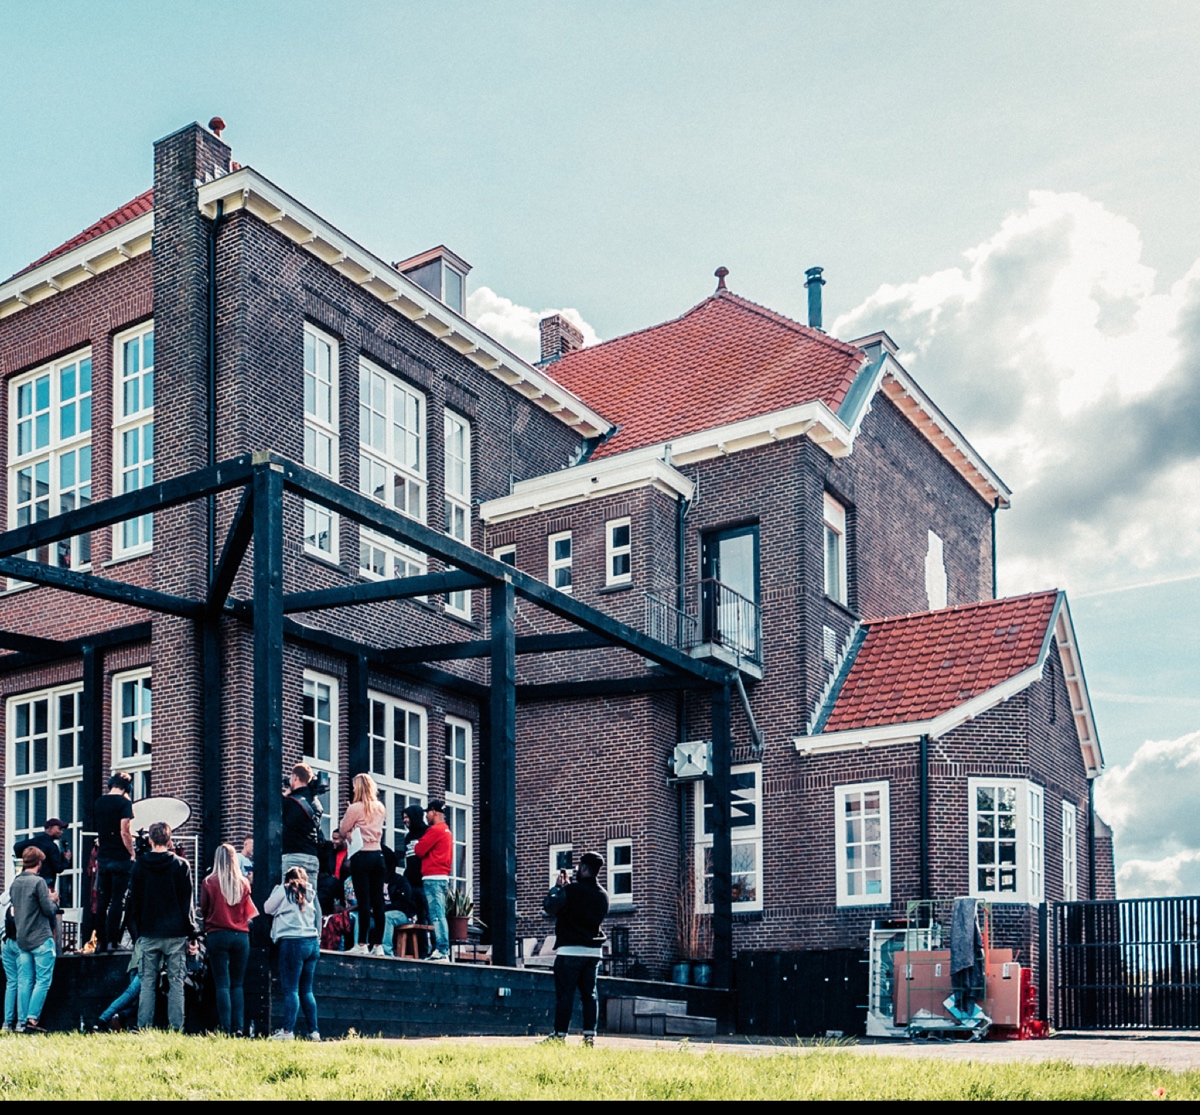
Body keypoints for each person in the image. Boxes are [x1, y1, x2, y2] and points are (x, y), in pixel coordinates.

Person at [127, 820, 196, 1032]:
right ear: (170, 840)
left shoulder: (139, 865)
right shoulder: (181, 865)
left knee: (147, 982)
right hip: (175, 932)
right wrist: (192, 933)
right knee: (176, 982)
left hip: (149, 931)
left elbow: (134, 902)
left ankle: (144, 1027)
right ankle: (176, 1028)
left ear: (150, 840)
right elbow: (187, 904)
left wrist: (138, 930)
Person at [542, 851, 609, 1046]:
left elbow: (550, 907)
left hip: (570, 951)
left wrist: (557, 888)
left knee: (565, 995)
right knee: (590, 995)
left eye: (579, 866)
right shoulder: (603, 895)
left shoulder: (571, 890)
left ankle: (560, 1035)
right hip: (593, 952)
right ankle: (589, 1036)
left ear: (585, 868)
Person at [200, 843, 257, 1035]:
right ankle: (238, 1027)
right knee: (237, 984)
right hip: (241, 936)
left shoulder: (209, 882)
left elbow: (204, 909)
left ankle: (225, 1028)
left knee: (222, 984)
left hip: (217, 934)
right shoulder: (244, 883)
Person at [264, 866, 321, 1041]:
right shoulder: (311, 892)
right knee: (307, 990)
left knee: (291, 990)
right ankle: (314, 1032)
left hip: (292, 941)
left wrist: (276, 889)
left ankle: (288, 1031)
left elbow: (267, 908)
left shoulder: (284, 890)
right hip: (312, 942)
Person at [10, 846, 60, 1033]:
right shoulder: (38, 882)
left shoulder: (15, 883)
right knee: (43, 980)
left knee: (25, 981)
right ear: (39, 862)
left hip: (22, 939)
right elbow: (48, 910)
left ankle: (21, 1022)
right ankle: (32, 1018)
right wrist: (53, 900)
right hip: (40, 937)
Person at [338, 773, 387, 956]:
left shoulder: (355, 808)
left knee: (364, 901)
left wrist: (349, 826)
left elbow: (342, 829)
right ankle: (378, 945)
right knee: (378, 902)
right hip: (378, 855)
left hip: (362, 855)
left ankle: (362, 943)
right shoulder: (380, 808)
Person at [93, 771, 135, 950]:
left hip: (103, 856)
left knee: (103, 900)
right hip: (120, 857)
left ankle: (100, 942)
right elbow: (124, 831)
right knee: (118, 900)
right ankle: (113, 941)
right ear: (127, 787)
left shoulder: (99, 802)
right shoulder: (124, 803)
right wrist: (132, 852)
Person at [414, 799, 453, 962]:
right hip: (441, 876)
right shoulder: (446, 830)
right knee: (439, 913)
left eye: (428, 812)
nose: (427, 816)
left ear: (434, 812)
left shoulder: (435, 830)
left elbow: (419, 850)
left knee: (436, 915)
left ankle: (442, 950)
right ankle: (442, 949)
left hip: (433, 877)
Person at [282, 763, 324, 881]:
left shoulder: (289, 802)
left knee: (290, 891)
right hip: (312, 856)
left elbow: (274, 812)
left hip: (293, 856)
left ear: (295, 777)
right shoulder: (316, 804)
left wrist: (286, 793)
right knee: (311, 892)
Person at [13, 818, 71, 893]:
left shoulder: (34, 841)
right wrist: (66, 859)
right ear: (50, 828)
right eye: (59, 829)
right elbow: (58, 868)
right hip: (46, 883)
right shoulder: (52, 846)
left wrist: (25, 860)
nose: (61, 832)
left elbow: (17, 846)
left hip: (30, 882)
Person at [1, 887, 20, 1032]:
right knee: (24, 982)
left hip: (4, 942)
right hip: (18, 942)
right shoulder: (20, 898)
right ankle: (21, 1021)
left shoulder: (3, 899)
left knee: (11, 982)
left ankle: (7, 1022)